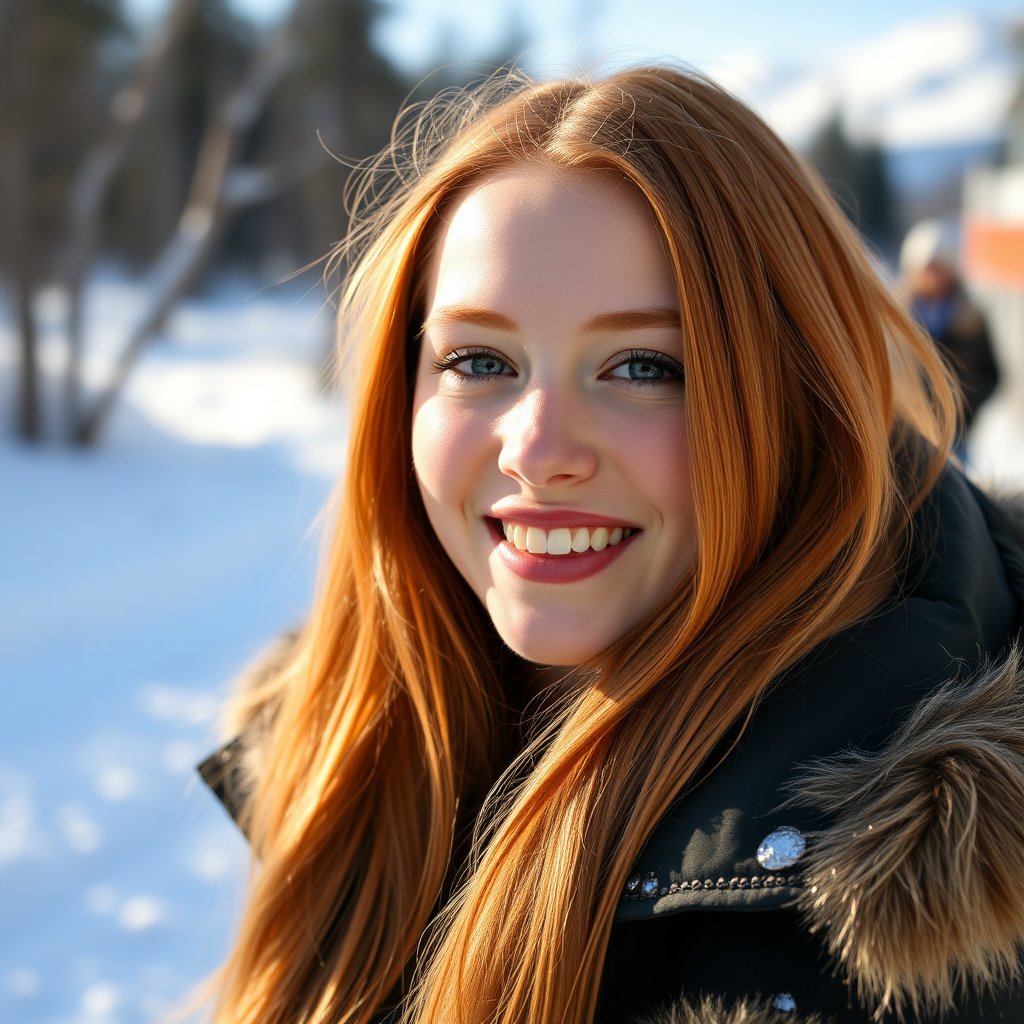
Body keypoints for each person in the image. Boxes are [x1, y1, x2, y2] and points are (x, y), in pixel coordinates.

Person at [198, 68, 1024, 1024]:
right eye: (479, 361)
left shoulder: (908, 952)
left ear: (802, 404)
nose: (539, 451)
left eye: (643, 367)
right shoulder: (348, 756)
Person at [900, 219, 1000, 435]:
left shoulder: (970, 317)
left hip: (958, 434)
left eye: (939, 269)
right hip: (910, 433)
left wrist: (967, 408)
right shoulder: (896, 322)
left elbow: (992, 373)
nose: (933, 278)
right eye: (927, 269)